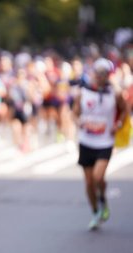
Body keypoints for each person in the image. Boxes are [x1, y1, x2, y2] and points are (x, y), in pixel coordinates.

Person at [72, 57, 129, 231]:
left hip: (105, 141)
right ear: (94, 73)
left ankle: (103, 197)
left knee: (98, 177)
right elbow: (74, 113)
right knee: (89, 183)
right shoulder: (83, 92)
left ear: (108, 75)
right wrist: (79, 122)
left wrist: (118, 125)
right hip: (86, 141)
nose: (101, 76)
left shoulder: (115, 92)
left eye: (104, 74)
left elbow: (125, 109)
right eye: (98, 73)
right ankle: (96, 211)